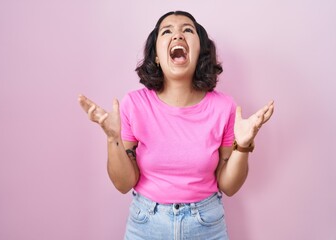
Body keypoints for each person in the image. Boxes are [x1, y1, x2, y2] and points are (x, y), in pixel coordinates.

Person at [78, 10, 274, 240]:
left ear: (199, 51)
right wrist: (113, 139)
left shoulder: (224, 107)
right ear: (158, 56)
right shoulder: (135, 104)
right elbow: (124, 183)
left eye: (187, 30)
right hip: (146, 224)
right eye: (167, 31)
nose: (178, 35)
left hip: (207, 224)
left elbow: (228, 186)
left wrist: (243, 146)